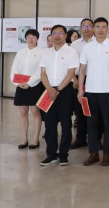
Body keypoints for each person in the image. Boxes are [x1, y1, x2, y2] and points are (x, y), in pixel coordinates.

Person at [77, 17, 109, 167]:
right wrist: (81, 90)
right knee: (91, 124)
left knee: (108, 124)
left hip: (108, 92)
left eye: (103, 27)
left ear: (107, 29)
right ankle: (93, 153)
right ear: (93, 29)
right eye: (97, 27)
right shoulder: (87, 48)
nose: (100, 29)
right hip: (90, 91)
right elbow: (82, 70)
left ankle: (107, 154)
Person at [39, 25, 79, 166]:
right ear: (51, 35)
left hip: (65, 91)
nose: (57, 36)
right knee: (49, 124)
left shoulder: (71, 52)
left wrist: (58, 89)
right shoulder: (46, 53)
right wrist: (49, 89)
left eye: (60, 33)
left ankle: (63, 155)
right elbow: (43, 74)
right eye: (54, 33)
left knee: (66, 123)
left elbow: (71, 73)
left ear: (65, 35)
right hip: (49, 91)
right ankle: (51, 155)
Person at [10, 28, 44, 150]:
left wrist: (29, 82)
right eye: (28, 37)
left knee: (35, 112)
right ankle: (24, 139)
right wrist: (17, 83)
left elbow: (40, 71)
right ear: (25, 38)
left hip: (35, 85)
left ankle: (35, 139)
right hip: (21, 85)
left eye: (33, 37)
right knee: (23, 112)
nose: (31, 39)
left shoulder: (41, 52)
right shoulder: (20, 52)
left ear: (37, 39)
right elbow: (14, 69)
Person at [70, 18, 94, 149]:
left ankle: (95, 138)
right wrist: (74, 79)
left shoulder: (98, 42)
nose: (86, 29)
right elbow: (70, 64)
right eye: (84, 26)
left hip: (95, 79)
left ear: (93, 28)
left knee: (94, 110)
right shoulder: (75, 45)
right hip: (78, 79)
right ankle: (81, 138)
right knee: (80, 110)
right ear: (80, 29)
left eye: (89, 26)